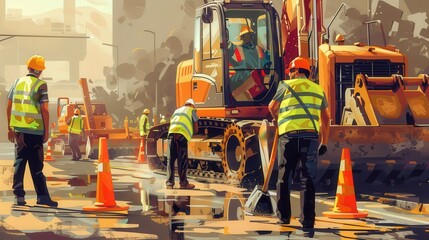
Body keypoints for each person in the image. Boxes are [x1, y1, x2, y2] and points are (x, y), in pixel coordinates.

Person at [268, 57, 329, 228]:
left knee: (284, 177)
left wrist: (277, 119)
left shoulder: (285, 86)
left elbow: (272, 107)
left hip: (288, 137)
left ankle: (283, 217)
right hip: (310, 137)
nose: (290, 74)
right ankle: (308, 220)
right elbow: (326, 118)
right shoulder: (318, 89)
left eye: (291, 71)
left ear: (296, 71)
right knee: (307, 179)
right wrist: (324, 142)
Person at [6, 55, 58, 207]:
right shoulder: (41, 85)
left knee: (19, 162)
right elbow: (45, 110)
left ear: (28, 67)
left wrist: (10, 128)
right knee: (36, 166)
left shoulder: (17, 82)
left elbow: (9, 105)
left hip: (18, 130)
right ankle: (42, 197)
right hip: (35, 130)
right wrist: (46, 131)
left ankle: (19, 197)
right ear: (40, 71)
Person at [228, 25, 271, 100]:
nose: (246, 37)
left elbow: (269, 64)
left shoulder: (260, 50)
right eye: (244, 36)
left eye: (248, 35)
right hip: (244, 84)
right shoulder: (237, 49)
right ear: (242, 38)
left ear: (252, 36)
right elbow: (228, 47)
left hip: (256, 85)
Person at [166, 98, 199, 189]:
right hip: (182, 135)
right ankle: (184, 184)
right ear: (192, 105)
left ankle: (169, 184)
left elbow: (171, 121)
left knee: (171, 160)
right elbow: (196, 126)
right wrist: (194, 131)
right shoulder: (192, 110)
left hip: (171, 135)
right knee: (182, 161)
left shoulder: (177, 110)